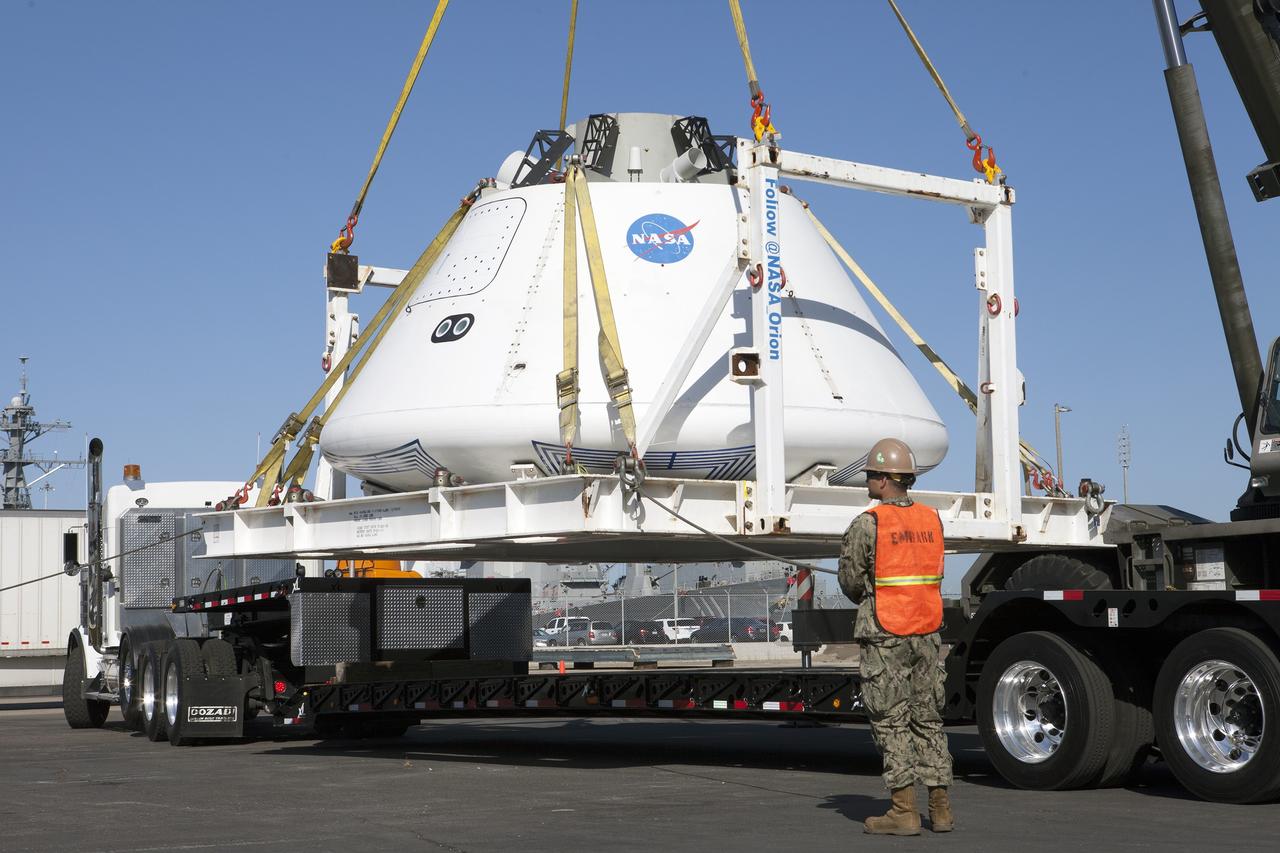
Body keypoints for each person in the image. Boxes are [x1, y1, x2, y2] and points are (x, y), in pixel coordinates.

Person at [838, 437, 954, 836]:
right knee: (928, 718)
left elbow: (851, 583)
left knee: (890, 720)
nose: (868, 480)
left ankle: (903, 811)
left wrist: (873, 592)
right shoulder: (932, 520)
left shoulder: (868, 523)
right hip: (926, 631)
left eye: (871, 474)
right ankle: (940, 810)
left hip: (886, 632)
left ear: (886, 480)